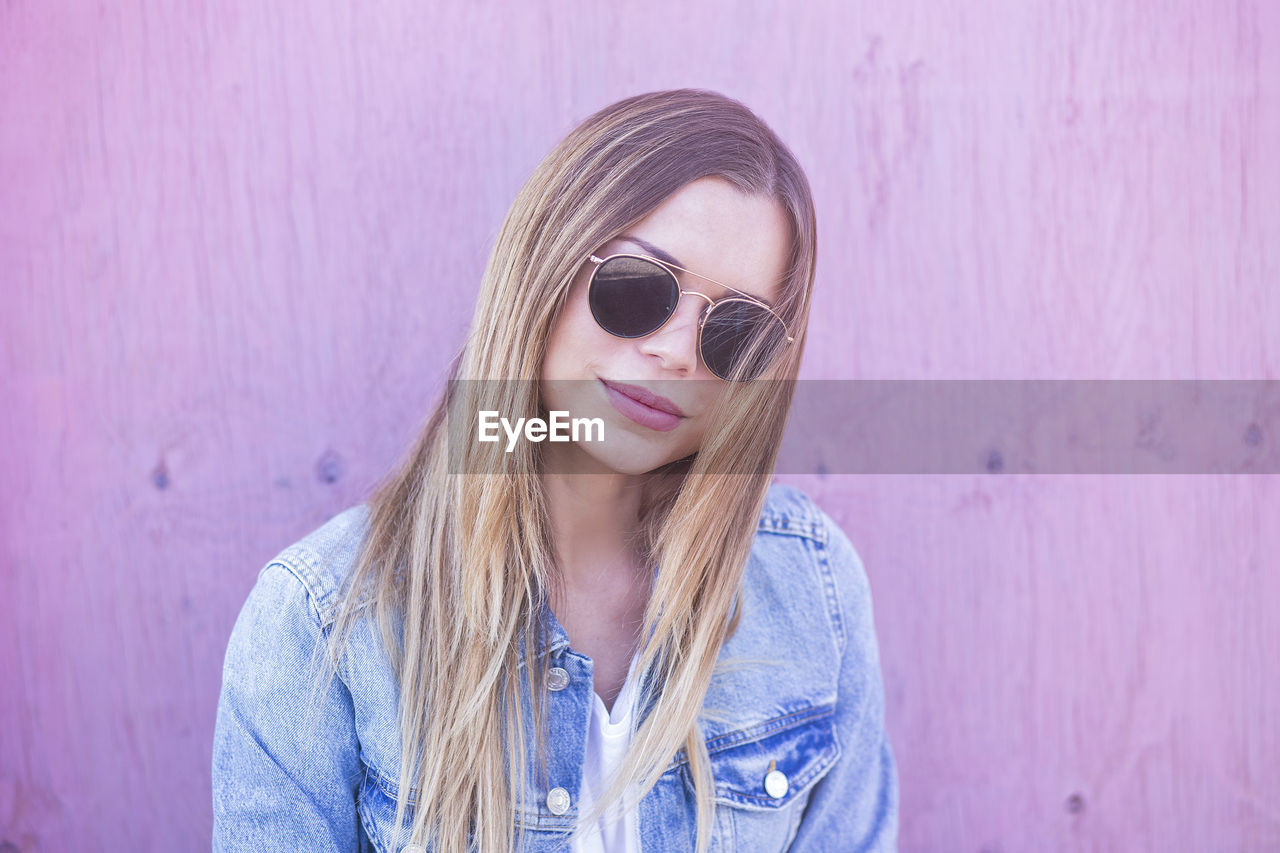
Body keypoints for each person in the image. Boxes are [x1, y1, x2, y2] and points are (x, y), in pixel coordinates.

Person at [212, 88, 898, 853]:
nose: (676, 353)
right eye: (640, 286)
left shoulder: (812, 586)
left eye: (734, 331)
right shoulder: (319, 626)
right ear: (545, 266)